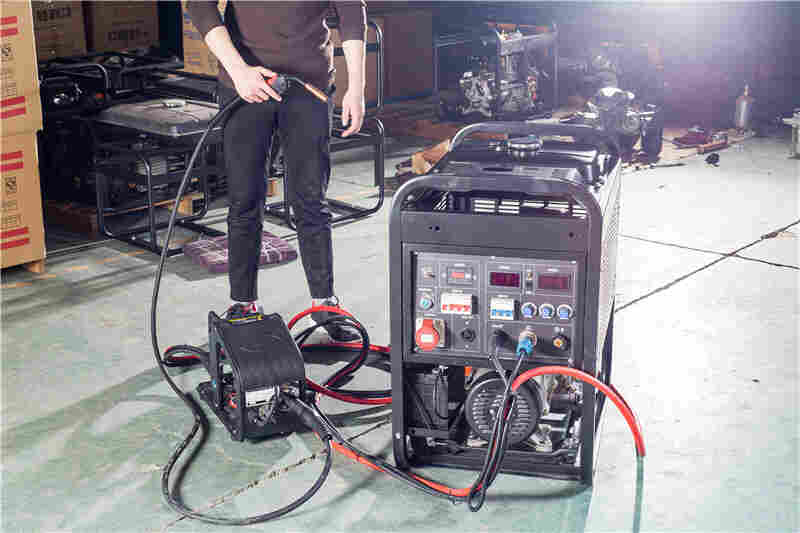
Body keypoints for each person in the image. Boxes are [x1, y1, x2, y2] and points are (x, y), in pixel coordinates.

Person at [187, 1, 367, 341]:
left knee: (310, 198)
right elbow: (199, 4)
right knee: (244, 198)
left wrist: (356, 87)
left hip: (308, 86)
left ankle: (325, 304)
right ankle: (243, 304)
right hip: (245, 84)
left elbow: (351, 12)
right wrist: (238, 70)